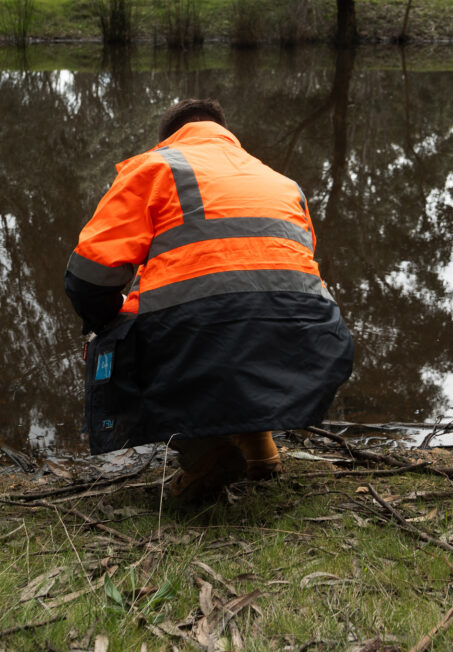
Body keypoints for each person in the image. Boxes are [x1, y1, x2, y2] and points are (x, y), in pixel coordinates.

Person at [64, 98, 354, 501]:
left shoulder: (156, 166)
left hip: (210, 333)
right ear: (225, 133)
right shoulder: (281, 181)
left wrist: (105, 328)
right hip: (312, 339)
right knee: (244, 322)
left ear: (168, 138)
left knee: (120, 336)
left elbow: (89, 278)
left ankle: (209, 454)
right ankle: (260, 452)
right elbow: (282, 275)